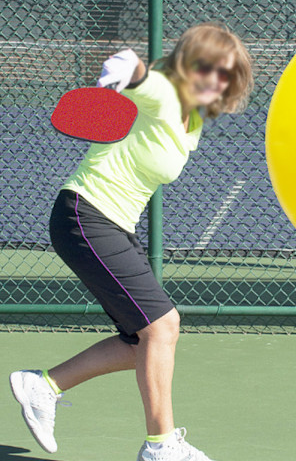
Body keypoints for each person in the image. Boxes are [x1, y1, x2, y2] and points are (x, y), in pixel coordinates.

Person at [9, 23, 254, 461]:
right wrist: (127, 67)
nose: (215, 80)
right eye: (207, 67)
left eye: (225, 74)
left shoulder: (192, 120)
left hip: (114, 224)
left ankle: (41, 386)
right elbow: (142, 77)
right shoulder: (164, 94)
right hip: (86, 215)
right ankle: (160, 447)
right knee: (163, 326)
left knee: (141, 342)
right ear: (186, 63)